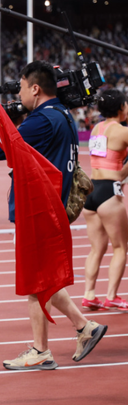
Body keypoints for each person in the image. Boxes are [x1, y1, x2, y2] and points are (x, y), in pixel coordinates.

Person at [0, 60, 107, 371]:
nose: (20, 93)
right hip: (53, 205)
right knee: (42, 281)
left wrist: (0, 117)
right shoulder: (63, 114)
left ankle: (43, 349)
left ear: (35, 88)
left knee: (33, 281)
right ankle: (84, 327)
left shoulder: (41, 120)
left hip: (38, 208)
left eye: (22, 87)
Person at [82, 89, 128, 311]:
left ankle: (89, 294)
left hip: (90, 191)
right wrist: (123, 173)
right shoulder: (120, 130)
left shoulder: (96, 129)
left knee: (96, 248)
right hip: (109, 191)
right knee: (120, 247)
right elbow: (119, 172)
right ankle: (112, 296)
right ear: (121, 108)